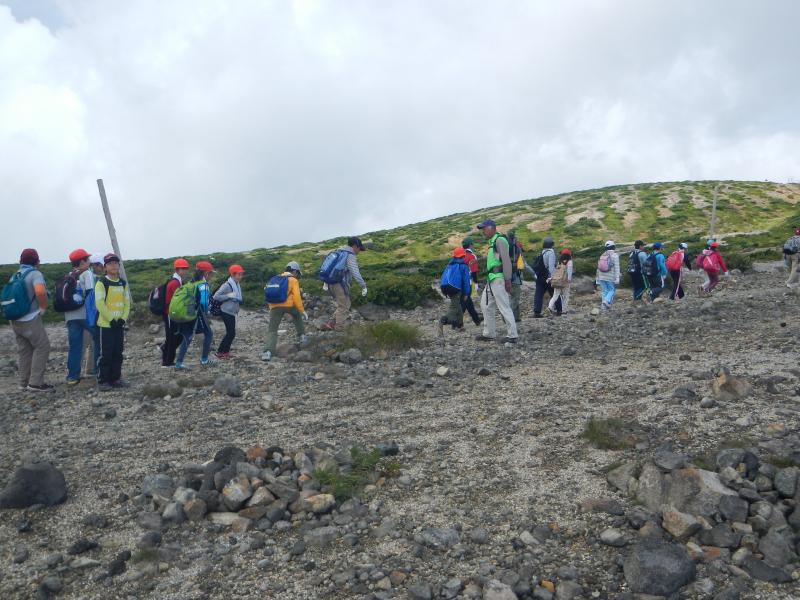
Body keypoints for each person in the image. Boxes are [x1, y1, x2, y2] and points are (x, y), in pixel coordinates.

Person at [6, 249, 51, 391]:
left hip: (15, 319)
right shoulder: (35, 274)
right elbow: (39, 291)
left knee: (24, 351)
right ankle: (35, 383)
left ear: (21, 261)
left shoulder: (14, 275)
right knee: (42, 346)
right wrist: (43, 307)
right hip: (30, 318)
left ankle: (23, 382)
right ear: (36, 261)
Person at [475, 219, 517, 343]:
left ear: (492, 227)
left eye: (484, 228)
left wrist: (508, 280)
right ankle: (489, 333)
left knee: (504, 306)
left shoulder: (500, 240)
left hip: (498, 278)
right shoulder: (493, 242)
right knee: (485, 305)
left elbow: (506, 260)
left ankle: (513, 335)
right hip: (492, 279)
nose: (483, 231)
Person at [95, 253, 130, 391]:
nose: (114, 265)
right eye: (110, 263)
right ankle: (103, 380)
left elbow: (127, 302)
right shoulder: (102, 283)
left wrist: (122, 319)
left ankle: (115, 378)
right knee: (106, 353)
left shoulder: (123, 283)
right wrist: (111, 319)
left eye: (116, 263)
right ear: (105, 267)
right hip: (106, 325)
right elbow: (99, 304)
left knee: (118, 352)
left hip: (119, 324)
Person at [62, 249, 96, 385]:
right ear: (82, 261)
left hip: (70, 316)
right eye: (87, 259)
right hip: (84, 314)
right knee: (99, 338)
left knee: (75, 346)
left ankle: (72, 377)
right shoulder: (87, 273)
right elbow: (90, 294)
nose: (89, 262)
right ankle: (97, 370)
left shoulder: (68, 275)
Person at [262, 261, 308, 361]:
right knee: (296, 315)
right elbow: (296, 297)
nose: (297, 275)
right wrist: (301, 310)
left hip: (275, 307)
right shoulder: (293, 280)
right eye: (298, 273)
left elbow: (268, 293)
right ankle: (302, 336)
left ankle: (267, 352)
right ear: (294, 271)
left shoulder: (275, 278)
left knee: (272, 330)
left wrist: (272, 307)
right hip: (289, 306)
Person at [320, 237, 367, 331]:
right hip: (339, 284)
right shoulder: (350, 255)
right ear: (354, 246)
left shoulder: (338, 252)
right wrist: (363, 286)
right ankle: (338, 328)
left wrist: (325, 283)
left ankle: (331, 323)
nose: (359, 251)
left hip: (330, 283)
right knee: (344, 306)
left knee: (344, 304)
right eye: (359, 248)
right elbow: (355, 272)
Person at [175, 261, 215, 369]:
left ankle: (178, 363)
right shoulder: (203, 284)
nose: (211, 276)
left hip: (188, 312)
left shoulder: (191, 282)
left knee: (187, 336)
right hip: (198, 313)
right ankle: (204, 360)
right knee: (209, 334)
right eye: (210, 273)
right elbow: (204, 303)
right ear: (206, 273)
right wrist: (207, 313)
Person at [438, 247, 472, 334]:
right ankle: (444, 320)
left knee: (458, 306)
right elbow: (466, 281)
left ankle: (460, 325)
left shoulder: (449, 265)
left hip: (445, 287)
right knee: (454, 306)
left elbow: (442, 278)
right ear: (463, 256)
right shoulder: (463, 266)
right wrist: (467, 293)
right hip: (456, 289)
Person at [214, 264, 245, 359]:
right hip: (226, 311)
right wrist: (229, 296)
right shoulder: (227, 285)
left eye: (241, 274)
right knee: (231, 333)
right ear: (233, 275)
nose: (240, 276)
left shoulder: (236, 284)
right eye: (239, 274)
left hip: (231, 312)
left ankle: (223, 352)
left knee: (230, 332)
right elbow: (216, 296)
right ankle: (221, 352)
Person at [531, 236, 556, 318]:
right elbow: (551, 267)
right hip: (547, 277)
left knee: (538, 294)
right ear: (551, 244)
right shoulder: (551, 252)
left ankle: (537, 311)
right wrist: (552, 277)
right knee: (554, 293)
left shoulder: (542, 252)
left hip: (539, 276)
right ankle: (559, 310)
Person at [460, 237, 482, 325]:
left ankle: (476, 320)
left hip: (458, 283)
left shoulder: (460, 255)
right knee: (464, 303)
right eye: (472, 244)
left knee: (467, 302)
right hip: (467, 283)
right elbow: (474, 271)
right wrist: (476, 284)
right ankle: (456, 323)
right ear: (470, 245)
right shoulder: (472, 256)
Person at [595, 241, 620, 311]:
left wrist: (597, 279)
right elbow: (617, 268)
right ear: (613, 247)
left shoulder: (602, 255)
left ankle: (604, 308)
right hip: (610, 277)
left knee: (604, 291)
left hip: (601, 276)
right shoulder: (615, 255)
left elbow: (598, 268)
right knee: (612, 290)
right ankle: (606, 301)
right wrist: (617, 278)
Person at [547, 249, 573, 315]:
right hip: (565, 281)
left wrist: (552, 278)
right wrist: (569, 280)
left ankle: (550, 307)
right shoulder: (569, 262)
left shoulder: (559, 262)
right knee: (566, 296)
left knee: (555, 295)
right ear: (569, 255)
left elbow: (556, 272)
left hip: (558, 280)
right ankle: (564, 310)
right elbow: (569, 272)